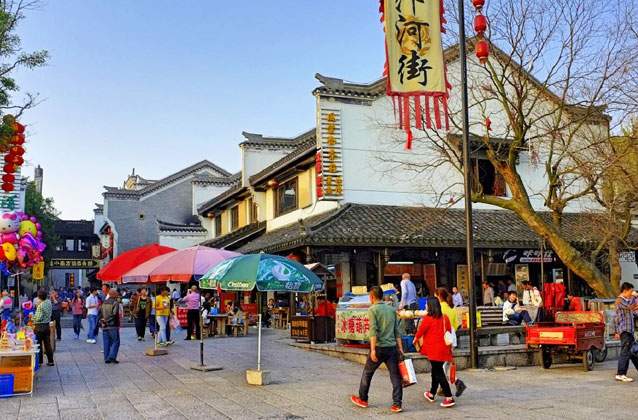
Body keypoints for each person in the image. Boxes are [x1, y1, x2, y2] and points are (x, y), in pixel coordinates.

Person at [351, 286, 404, 413]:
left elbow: (373, 330)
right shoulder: (391, 310)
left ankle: (363, 399)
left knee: (368, 373)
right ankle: (397, 404)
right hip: (391, 348)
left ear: (372, 297)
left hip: (379, 347)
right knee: (395, 376)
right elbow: (397, 330)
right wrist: (400, 348)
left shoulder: (373, 310)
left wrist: (373, 349)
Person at [414, 297, 455, 408]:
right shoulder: (445, 318)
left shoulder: (428, 318)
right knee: (435, 371)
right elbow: (449, 332)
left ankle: (449, 397)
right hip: (444, 349)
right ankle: (431, 394)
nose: (426, 306)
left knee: (439, 373)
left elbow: (421, 331)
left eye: (427, 304)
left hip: (433, 349)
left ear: (430, 306)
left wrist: (415, 339)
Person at [434, 288, 467, 397]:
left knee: (440, 365)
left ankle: (456, 382)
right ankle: (444, 387)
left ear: (439, 296)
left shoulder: (439, 308)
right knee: (446, 364)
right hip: (451, 336)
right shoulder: (452, 307)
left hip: (442, 337)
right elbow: (456, 324)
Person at [615, 282, 638, 382]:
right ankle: (621, 373)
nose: (631, 293)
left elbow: (634, 307)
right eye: (630, 291)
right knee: (626, 352)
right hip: (625, 330)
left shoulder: (625, 300)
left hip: (629, 330)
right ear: (625, 291)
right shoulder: (620, 300)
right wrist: (634, 297)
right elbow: (631, 306)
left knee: (633, 351)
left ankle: (622, 372)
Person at [32, 290, 54, 366]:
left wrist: (32, 317)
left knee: (39, 344)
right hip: (47, 325)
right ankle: (51, 361)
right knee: (47, 343)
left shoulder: (40, 306)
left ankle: (39, 361)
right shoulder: (48, 302)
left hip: (39, 326)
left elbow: (38, 318)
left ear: (38, 297)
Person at [100, 289, 121, 364]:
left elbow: (100, 314)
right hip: (112, 325)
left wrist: (102, 322)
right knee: (116, 341)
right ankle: (112, 356)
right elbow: (114, 314)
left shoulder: (104, 302)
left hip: (104, 326)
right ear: (114, 294)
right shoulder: (115, 302)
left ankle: (106, 358)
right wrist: (107, 320)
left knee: (106, 342)